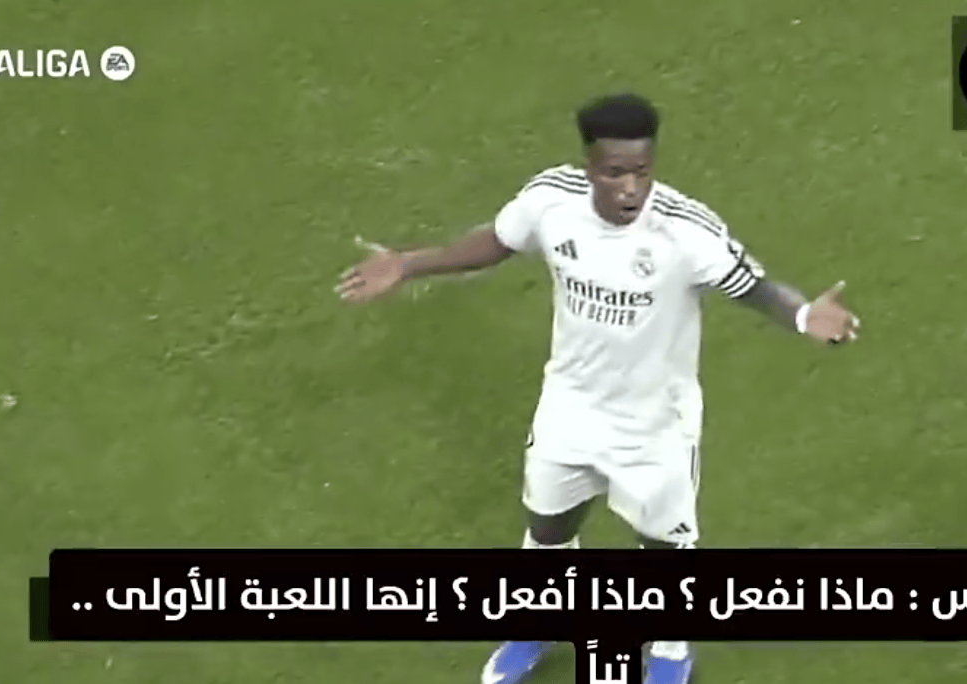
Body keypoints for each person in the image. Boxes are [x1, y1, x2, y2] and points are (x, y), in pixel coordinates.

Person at [335, 93, 860, 684]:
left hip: (655, 426)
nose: (630, 188)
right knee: (547, 528)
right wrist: (410, 264)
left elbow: (754, 286)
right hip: (571, 408)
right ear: (590, 167)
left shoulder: (686, 231)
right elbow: (498, 241)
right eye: (615, 173)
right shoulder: (551, 201)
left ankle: (669, 648)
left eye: (642, 171)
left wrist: (802, 315)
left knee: (661, 548)